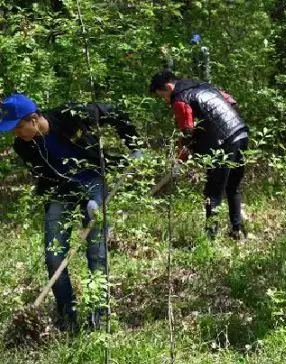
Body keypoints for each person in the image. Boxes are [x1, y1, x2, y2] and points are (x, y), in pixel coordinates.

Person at [0, 93, 139, 331]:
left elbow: (114, 113)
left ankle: (99, 314)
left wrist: (135, 146)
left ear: (33, 119)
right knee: (54, 257)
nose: (15, 134)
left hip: (93, 180)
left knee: (96, 250)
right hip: (58, 191)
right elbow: (44, 174)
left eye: (18, 127)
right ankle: (67, 318)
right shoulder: (23, 146)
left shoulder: (72, 115)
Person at [149, 69, 249, 239]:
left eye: (162, 96)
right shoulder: (204, 86)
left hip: (223, 142)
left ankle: (210, 239)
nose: (165, 100)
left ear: (168, 87)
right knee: (232, 187)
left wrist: (181, 159)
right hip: (241, 132)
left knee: (213, 191)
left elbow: (187, 131)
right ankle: (237, 230)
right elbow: (231, 101)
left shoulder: (180, 99)